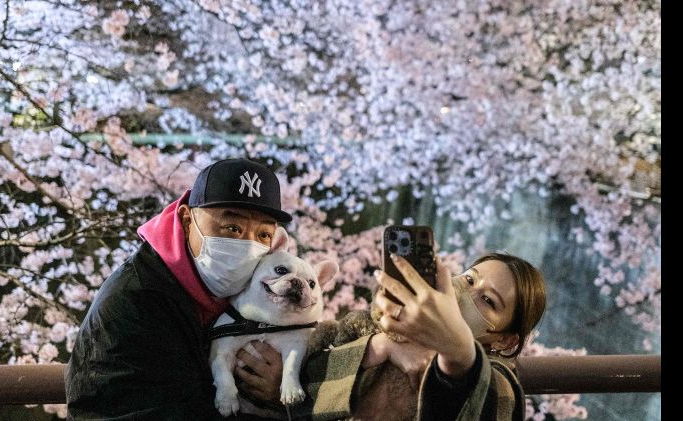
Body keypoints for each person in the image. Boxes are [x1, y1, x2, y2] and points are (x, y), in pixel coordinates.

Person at [65, 158, 294, 420]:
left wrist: (284, 388)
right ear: (187, 221)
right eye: (233, 228)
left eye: (263, 235)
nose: (247, 245)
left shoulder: (241, 296)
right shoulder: (136, 301)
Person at [237, 252, 547, 421]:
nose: (466, 291)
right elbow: (309, 391)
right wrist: (378, 347)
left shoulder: (497, 381)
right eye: (469, 278)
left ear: (504, 340)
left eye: (489, 301)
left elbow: (487, 401)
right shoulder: (378, 328)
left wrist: (459, 353)